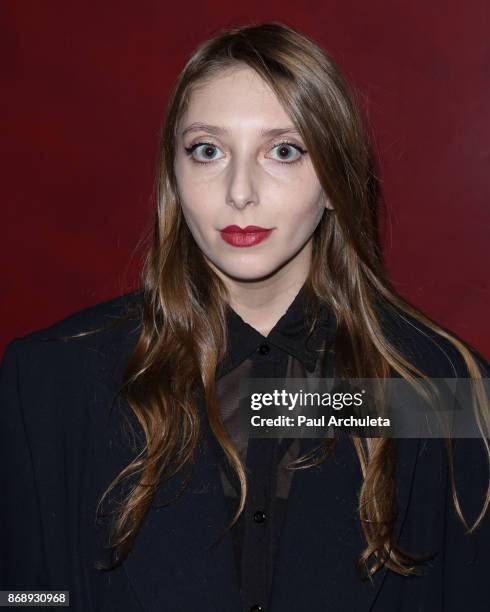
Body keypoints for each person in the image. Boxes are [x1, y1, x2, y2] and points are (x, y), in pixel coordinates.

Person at [1, 21, 489, 612]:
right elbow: (26, 596)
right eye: (208, 150)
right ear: (174, 178)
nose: (239, 191)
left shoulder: (441, 390)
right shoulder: (55, 379)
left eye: (284, 150)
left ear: (337, 179)